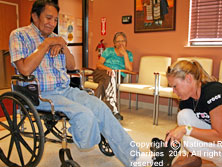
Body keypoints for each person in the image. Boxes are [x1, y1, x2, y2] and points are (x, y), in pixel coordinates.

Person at [9, 1, 154, 166]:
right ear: (35, 16)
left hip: (65, 89)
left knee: (101, 108)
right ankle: (84, 137)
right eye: (48, 18)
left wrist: (63, 46)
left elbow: (71, 66)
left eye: (55, 20)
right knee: (84, 114)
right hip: (41, 93)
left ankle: (134, 158)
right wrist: (46, 44)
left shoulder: (56, 39)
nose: (52, 23)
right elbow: (25, 69)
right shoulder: (19, 35)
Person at [165, 60, 222, 167]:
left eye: (175, 86)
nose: (173, 91)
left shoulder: (214, 92)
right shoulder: (186, 99)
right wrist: (174, 133)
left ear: (188, 79)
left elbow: (220, 137)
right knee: (183, 115)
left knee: (190, 140)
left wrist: (185, 129)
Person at [93, 32, 133, 121]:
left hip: (117, 77)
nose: (120, 43)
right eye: (118, 41)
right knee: (108, 76)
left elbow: (129, 69)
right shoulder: (108, 51)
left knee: (104, 83)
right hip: (101, 73)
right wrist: (108, 69)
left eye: (123, 41)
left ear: (126, 42)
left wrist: (125, 55)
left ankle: (95, 108)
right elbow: (98, 64)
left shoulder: (129, 54)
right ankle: (113, 110)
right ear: (114, 43)